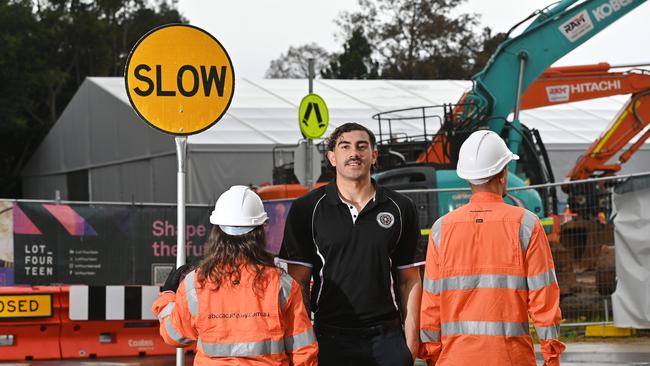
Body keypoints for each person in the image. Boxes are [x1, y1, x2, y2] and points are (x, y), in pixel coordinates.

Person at [278, 122, 424, 365]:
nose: (354, 153)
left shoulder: (401, 207)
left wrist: (410, 343)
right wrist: (304, 342)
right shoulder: (307, 209)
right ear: (332, 158)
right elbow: (298, 282)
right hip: (329, 337)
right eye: (345, 146)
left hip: (387, 338)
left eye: (361, 146)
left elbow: (409, 279)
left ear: (374, 155)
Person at [419, 130, 565, 366]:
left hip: (454, 359)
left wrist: (432, 352)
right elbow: (543, 297)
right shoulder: (526, 225)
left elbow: (431, 302)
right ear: (503, 174)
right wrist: (551, 354)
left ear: (467, 177)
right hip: (511, 358)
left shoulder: (441, 229)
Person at [152, 185, 318, 365]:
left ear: (216, 232)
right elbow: (303, 352)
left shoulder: (195, 283)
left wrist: (167, 295)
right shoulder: (281, 284)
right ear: (260, 231)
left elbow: (174, 335)